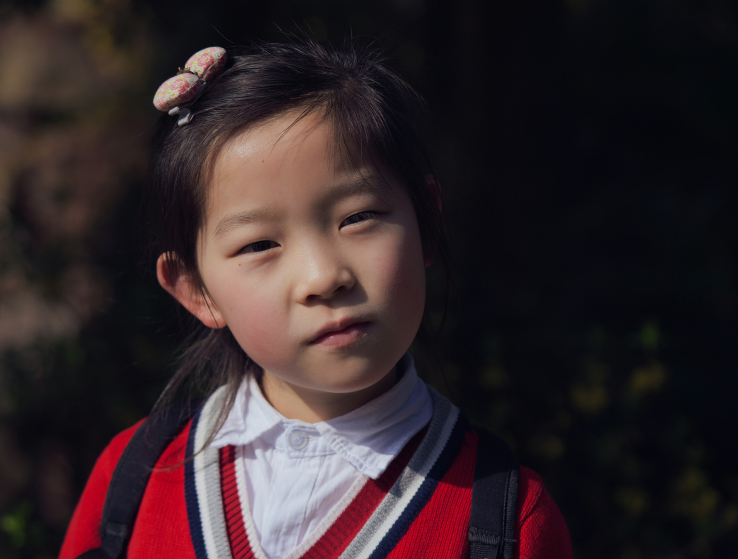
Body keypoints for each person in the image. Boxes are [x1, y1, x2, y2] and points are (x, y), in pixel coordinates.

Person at [59, 39, 574, 559]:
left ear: (425, 218)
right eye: (259, 245)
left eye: (358, 218)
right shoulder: (133, 478)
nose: (323, 277)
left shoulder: (503, 520)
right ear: (196, 290)